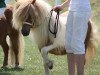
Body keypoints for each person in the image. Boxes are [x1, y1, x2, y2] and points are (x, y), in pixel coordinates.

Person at [52, 0, 91, 75]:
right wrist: (62, 6)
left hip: (81, 9)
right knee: (69, 45)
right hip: (72, 9)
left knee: (77, 44)